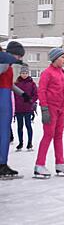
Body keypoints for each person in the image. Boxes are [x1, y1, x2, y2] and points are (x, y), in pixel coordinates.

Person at [34, 48, 64, 178]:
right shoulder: (47, 73)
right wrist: (44, 108)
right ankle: (39, 164)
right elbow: (42, 90)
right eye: (62, 57)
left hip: (61, 109)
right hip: (50, 108)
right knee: (48, 135)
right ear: (55, 59)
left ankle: (60, 163)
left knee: (58, 135)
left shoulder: (62, 73)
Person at [0, 42, 25, 179]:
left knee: (5, 132)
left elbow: (10, 85)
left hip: (6, 97)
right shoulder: (4, 64)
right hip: (2, 99)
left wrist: (22, 94)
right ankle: (1, 164)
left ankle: (3, 162)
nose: (19, 58)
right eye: (18, 55)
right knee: (3, 132)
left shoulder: (7, 66)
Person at [13, 64, 38, 151]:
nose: (24, 74)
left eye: (26, 73)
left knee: (28, 125)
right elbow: (13, 95)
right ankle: (20, 143)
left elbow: (36, 94)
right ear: (20, 73)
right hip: (19, 109)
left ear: (28, 73)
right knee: (19, 127)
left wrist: (31, 101)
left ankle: (29, 143)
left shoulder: (32, 83)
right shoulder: (16, 84)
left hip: (28, 108)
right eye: (23, 73)